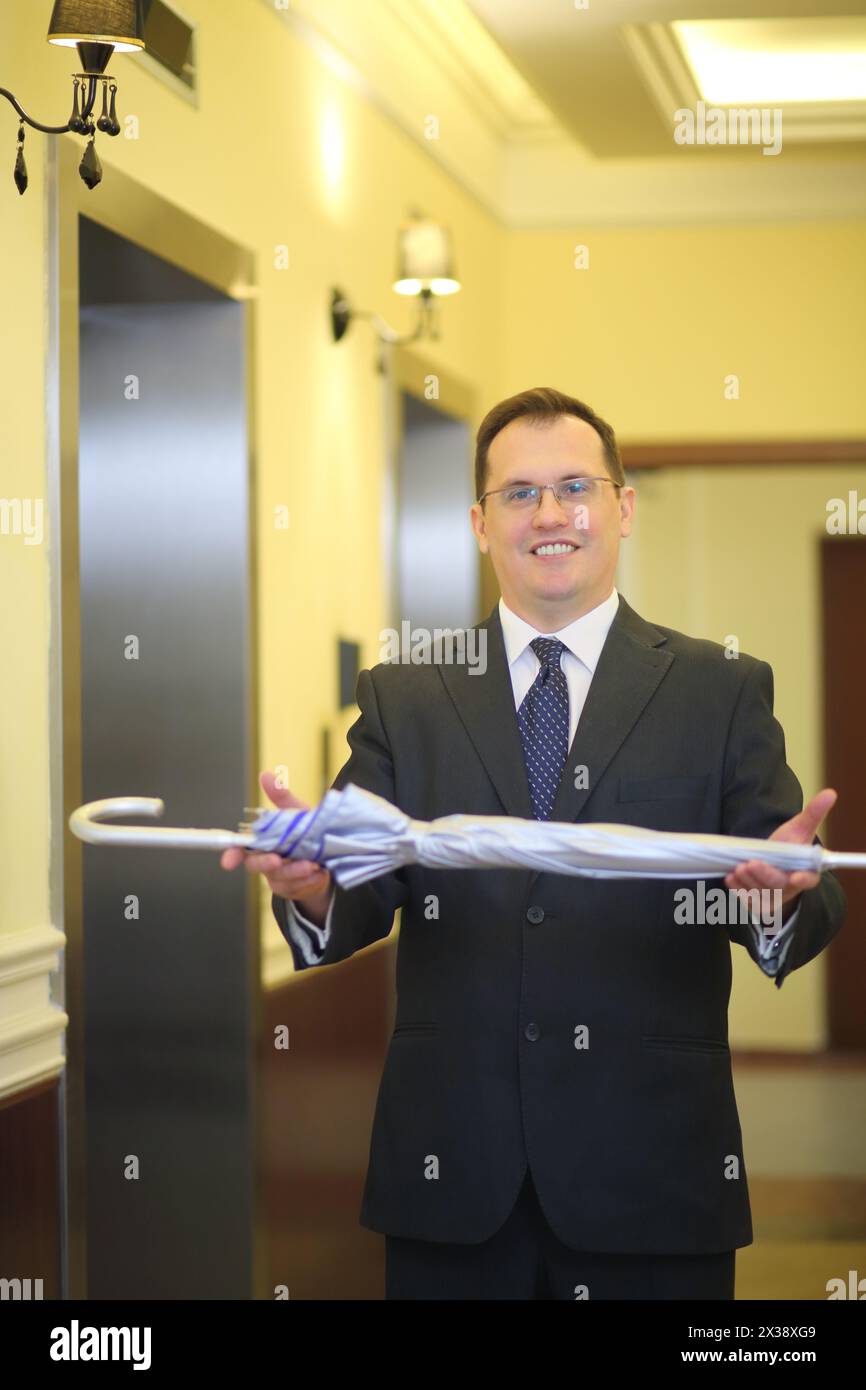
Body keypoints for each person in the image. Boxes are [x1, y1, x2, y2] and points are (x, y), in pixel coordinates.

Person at [222, 386, 846, 1300]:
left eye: (575, 487)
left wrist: (779, 896)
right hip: (452, 1179)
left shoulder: (721, 689)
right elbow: (355, 894)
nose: (549, 514)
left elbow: (798, 889)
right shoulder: (409, 695)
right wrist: (309, 883)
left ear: (622, 508)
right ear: (481, 523)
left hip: (655, 1178)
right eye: (518, 494)